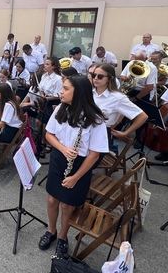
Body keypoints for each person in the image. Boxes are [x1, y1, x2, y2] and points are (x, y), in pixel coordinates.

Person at [38, 75, 108, 258]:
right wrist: (63, 148)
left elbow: (94, 154)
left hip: (80, 166)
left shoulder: (96, 118)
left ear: (79, 93)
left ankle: (62, 237)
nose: (61, 91)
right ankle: (51, 231)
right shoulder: (61, 109)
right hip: (60, 158)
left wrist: (75, 177)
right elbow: (49, 134)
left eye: (66, 88)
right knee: (52, 200)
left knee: (67, 206)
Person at [89, 63, 148, 149]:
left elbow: (142, 116)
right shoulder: (90, 92)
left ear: (109, 79)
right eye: (94, 75)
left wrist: (125, 133)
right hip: (85, 131)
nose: (96, 78)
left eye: (100, 76)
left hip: (101, 136)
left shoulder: (117, 97)